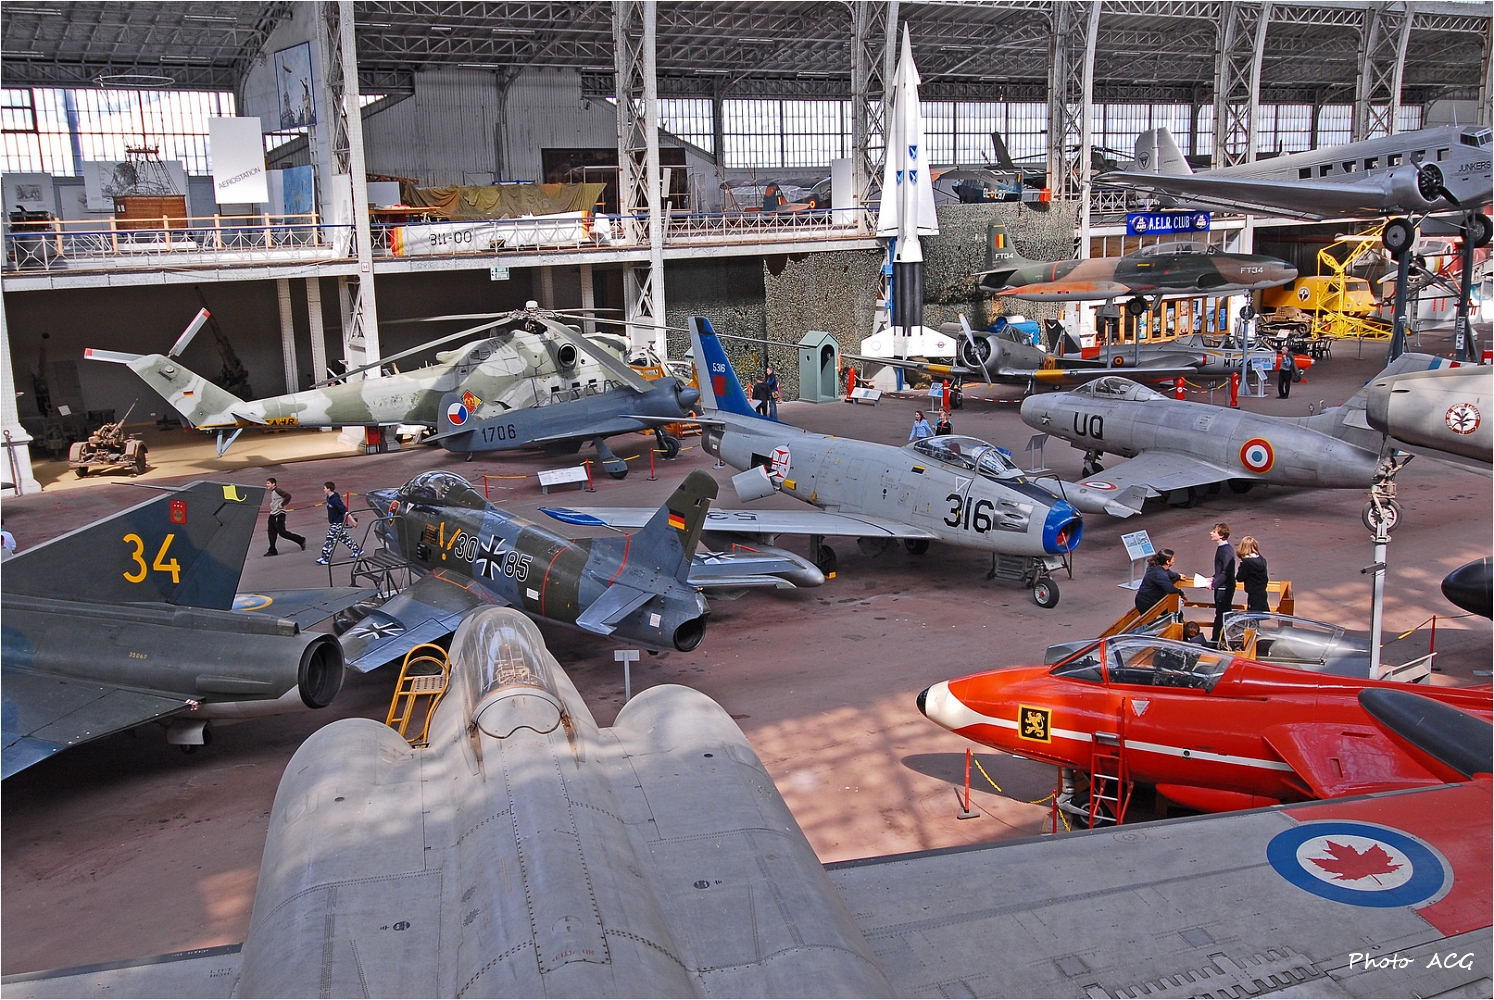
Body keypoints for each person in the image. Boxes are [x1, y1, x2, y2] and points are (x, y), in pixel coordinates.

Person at [316, 481, 362, 566]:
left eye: (324, 488)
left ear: (329, 489)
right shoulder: (328, 498)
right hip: (334, 522)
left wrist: (353, 521)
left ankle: (325, 557)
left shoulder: (335, 500)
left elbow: (344, 511)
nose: (323, 489)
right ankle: (357, 550)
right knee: (344, 538)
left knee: (329, 539)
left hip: (337, 523)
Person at [1209, 522, 1237, 642]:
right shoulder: (1222, 548)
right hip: (1222, 587)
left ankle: (1217, 640)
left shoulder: (1225, 550)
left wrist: (1214, 584)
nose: (1211, 533)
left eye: (1214, 532)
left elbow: (1226, 572)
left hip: (1224, 588)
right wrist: (1213, 578)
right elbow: (1221, 570)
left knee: (1222, 615)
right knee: (1221, 614)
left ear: (1221, 535)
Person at [263, 477, 305, 556]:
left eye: (268, 483)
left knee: (282, 532)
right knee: (271, 532)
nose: (267, 485)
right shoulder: (273, 492)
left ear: (273, 484)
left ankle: (300, 540)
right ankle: (272, 550)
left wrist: (282, 504)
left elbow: (288, 496)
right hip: (273, 514)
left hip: (279, 514)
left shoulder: (277, 490)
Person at [1135, 549, 1184, 615]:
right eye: (1173, 558)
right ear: (1167, 561)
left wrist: (1178, 576)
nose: (1174, 559)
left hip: (1146, 600)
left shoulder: (1157, 567)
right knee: (1176, 614)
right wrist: (1182, 594)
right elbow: (1170, 589)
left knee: (1177, 613)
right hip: (1147, 604)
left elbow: (1169, 573)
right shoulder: (1159, 574)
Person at [1236, 535, 1270, 612]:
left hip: (1253, 593)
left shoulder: (1247, 563)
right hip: (1262, 592)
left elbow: (1240, 578)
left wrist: (1242, 564)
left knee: (1253, 615)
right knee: (1261, 613)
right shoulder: (1262, 559)